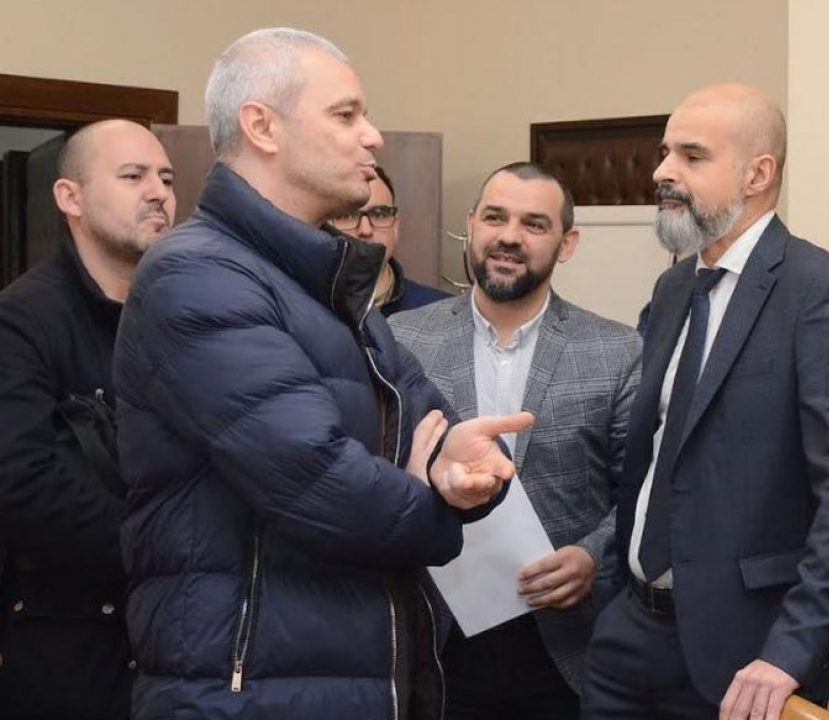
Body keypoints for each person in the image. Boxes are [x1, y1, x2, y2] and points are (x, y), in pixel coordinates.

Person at [112, 28, 530, 720]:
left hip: (346, 679)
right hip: (246, 693)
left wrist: (460, 468)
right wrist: (432, 503)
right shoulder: (196, 275)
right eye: (345, 115)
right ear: (262, 127)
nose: (372, 137)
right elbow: (321, 482)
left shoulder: (325, 283)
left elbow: (437, 426)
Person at [582, 83, 829, 720]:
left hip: (750, 652)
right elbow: (656, 454)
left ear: (757, 174)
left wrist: (790, 651)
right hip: (628, 634)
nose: (662, 172)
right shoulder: (673, 288)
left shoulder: (817, 289)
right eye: (665, 153)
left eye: (692, 156)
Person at [391, 161, 641, 719]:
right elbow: (376, 466)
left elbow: (641, 491)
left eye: (534, 224)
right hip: (433, 642)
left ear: (567, 243)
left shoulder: (617, 352)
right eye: (495, 218)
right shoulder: (403, 340)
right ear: (471, 224)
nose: (509, 236)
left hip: (565, 652)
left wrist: (593, 556)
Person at [0, 119, 174, 720]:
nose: (158, 193)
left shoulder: (185, 316)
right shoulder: (21, 321)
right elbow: (21, 481)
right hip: (68, 657)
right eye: (133, 176)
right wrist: (166, 548)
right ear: (70, 197)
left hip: (181, 652)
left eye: (166, 177)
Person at [330, 164, 451, 314]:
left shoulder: (440, 312)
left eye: (379, 214)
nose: (365, 230)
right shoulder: (305, 310)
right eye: (347, 215)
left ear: (395, 225)